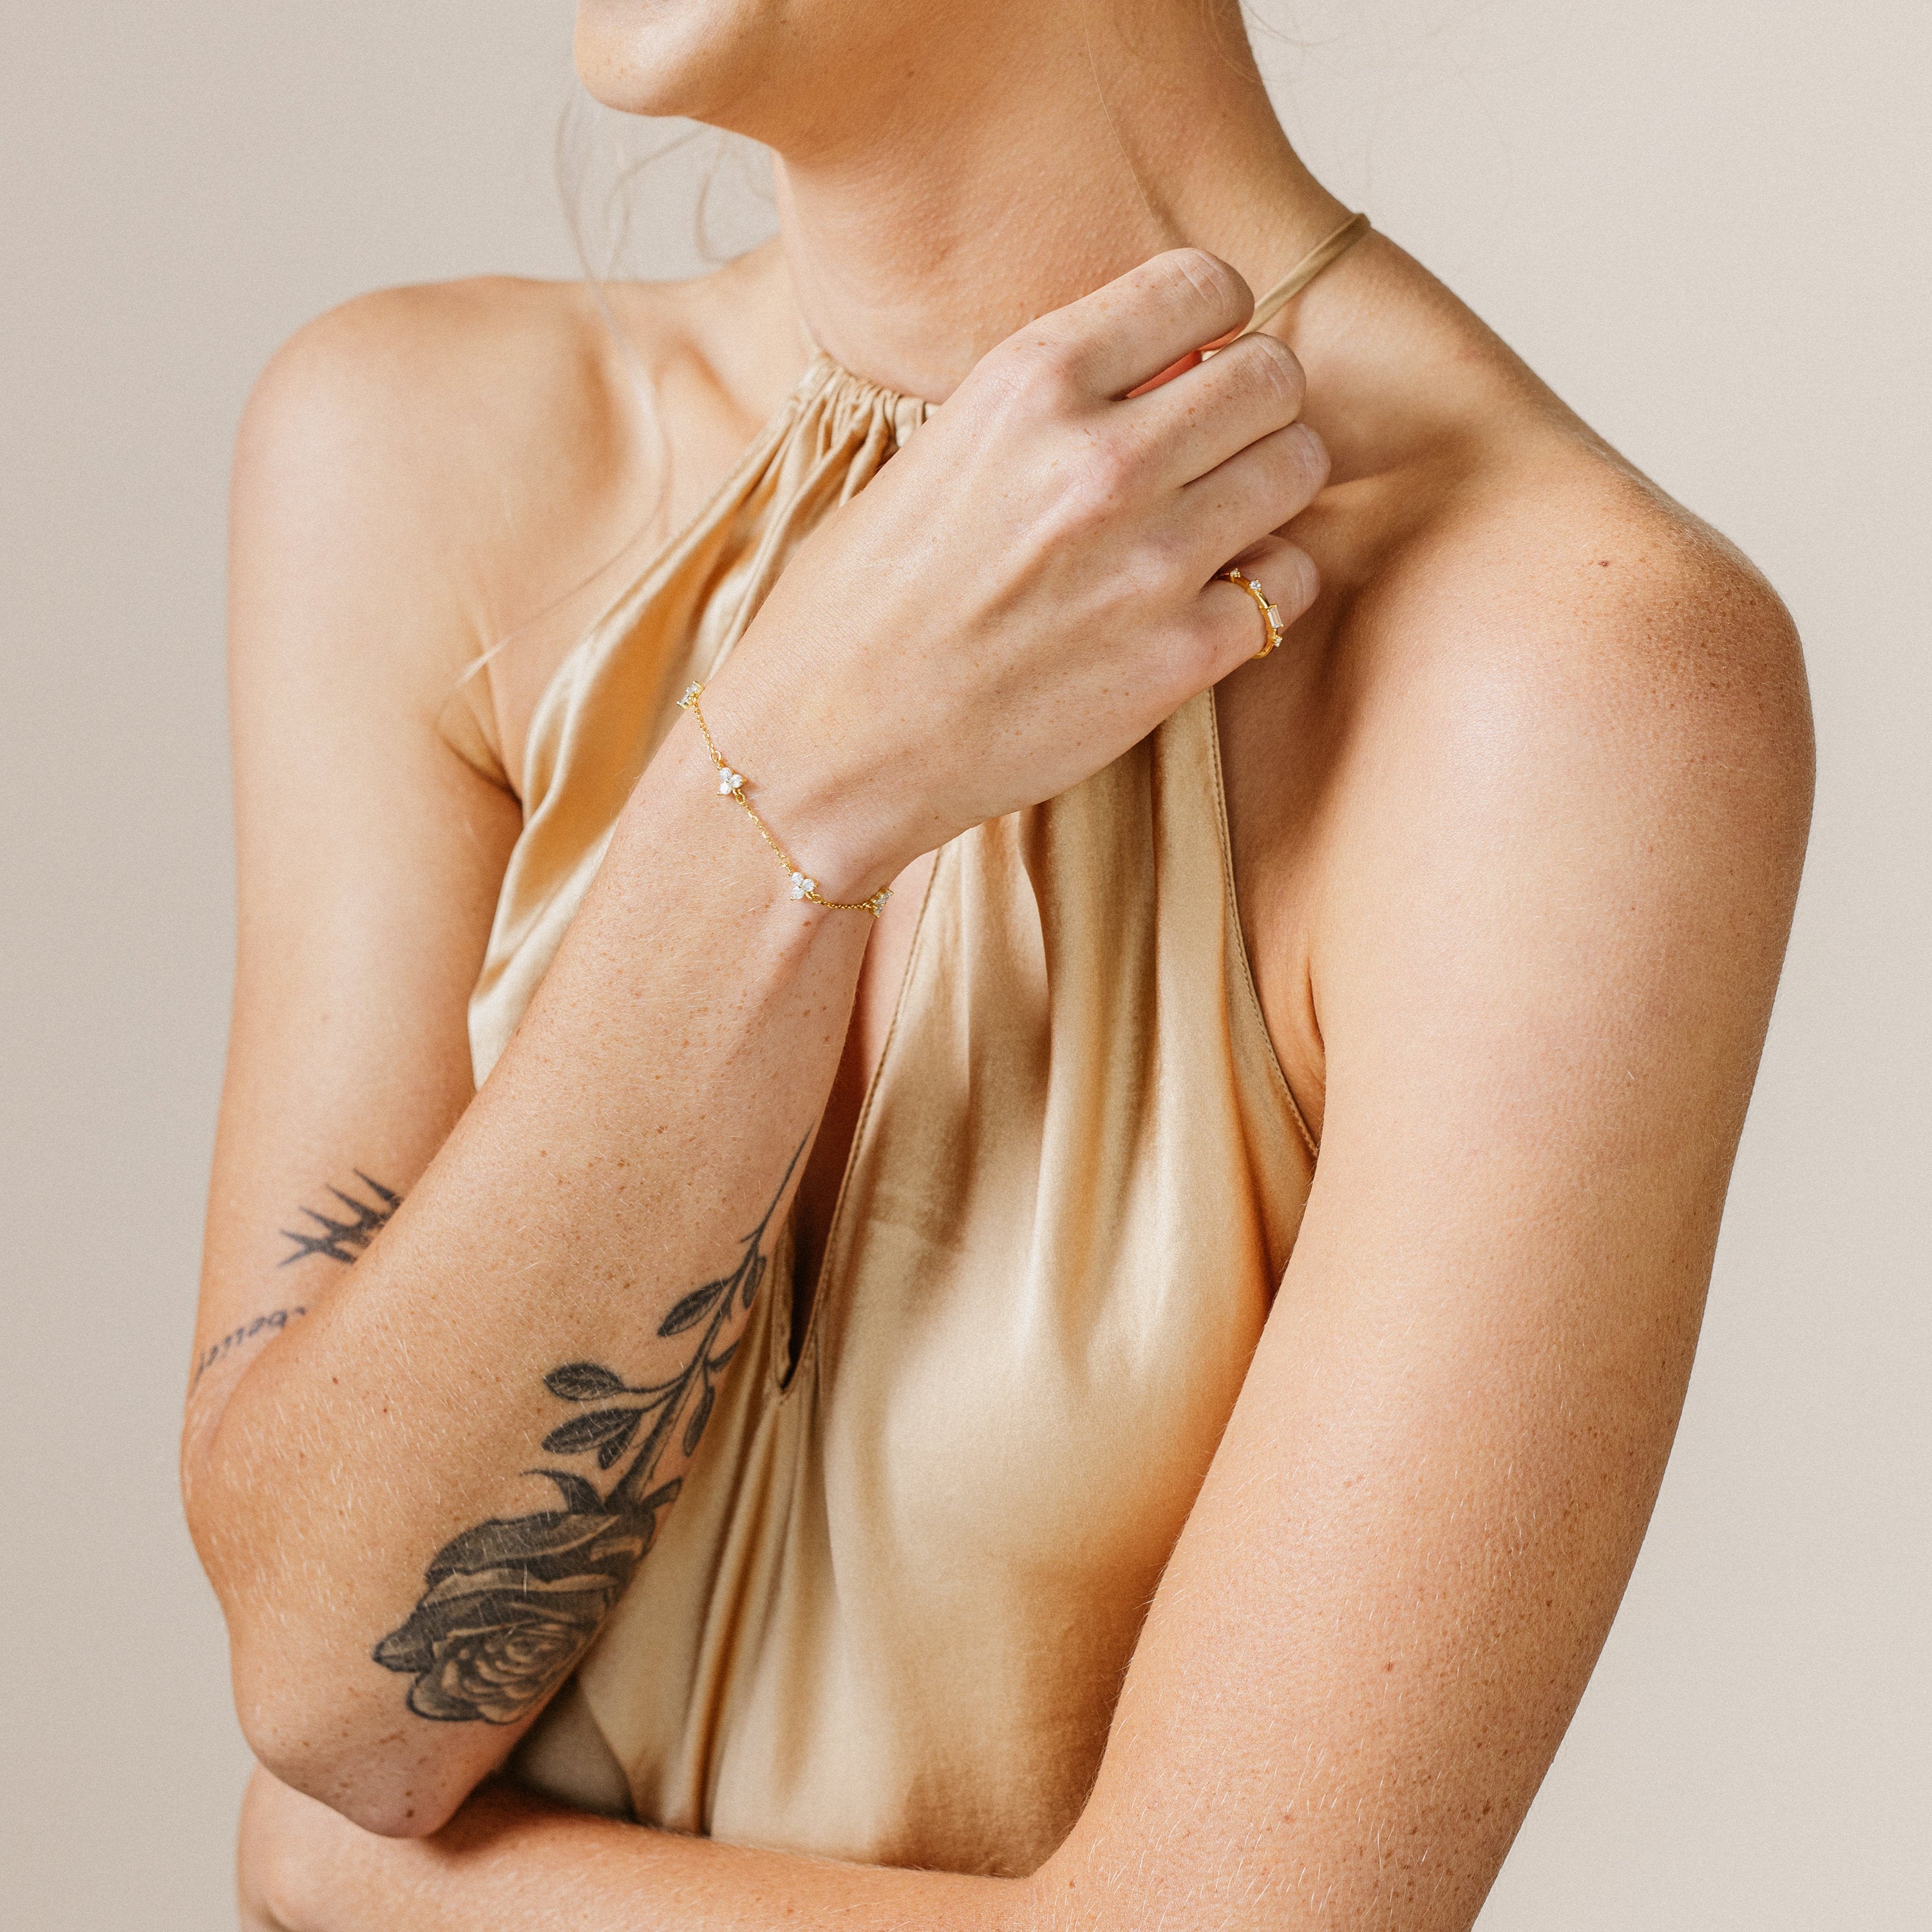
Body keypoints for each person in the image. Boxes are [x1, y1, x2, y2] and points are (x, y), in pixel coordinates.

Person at [185, 0, 1812, 1925]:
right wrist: (780, 788)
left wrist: (384, 1894)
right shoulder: (418, 460)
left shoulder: (1567, 678)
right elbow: (332, 1693)